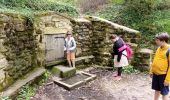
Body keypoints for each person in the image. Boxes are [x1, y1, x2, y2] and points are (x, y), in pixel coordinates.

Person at [150, 32, 170, 100]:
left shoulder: (169, 50)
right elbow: (155, 59)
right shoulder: (159, 48)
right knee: (157, 89)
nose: (156, 41)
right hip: (156, 74)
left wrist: (167, 80)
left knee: (164, 93)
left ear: (163, 41)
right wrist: (151, 71)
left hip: (163, 75)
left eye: (157, 40)